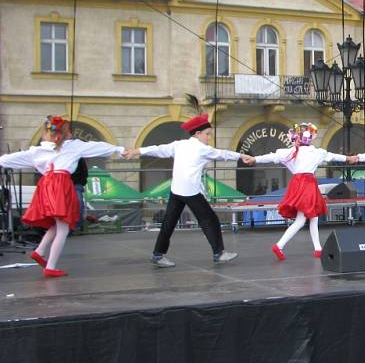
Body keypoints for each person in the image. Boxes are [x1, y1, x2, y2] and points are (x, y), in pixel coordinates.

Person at [0, 115, 125, 277]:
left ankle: (39, 251)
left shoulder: (37, 150)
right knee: (63, 227)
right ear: (67, 133)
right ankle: (50, 266)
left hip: (46, 185)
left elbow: (9, 159)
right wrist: (119, 149)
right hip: (61, 185)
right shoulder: (73, 146)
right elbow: (97, 147)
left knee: (57, 223)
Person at [124, 113, 254, 268]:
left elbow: (157, 149)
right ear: (197, 134)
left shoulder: (179, 145)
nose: (208, 138)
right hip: (190, 192)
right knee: (209, 220)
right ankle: (219, 253)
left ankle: (158, 255)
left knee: (169, 222)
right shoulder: (202, 149)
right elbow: (223, 154)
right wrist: (241, 155)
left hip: (176, 190)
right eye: (207, 134)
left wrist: (136, 151)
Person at [253, 123, 347, 260]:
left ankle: (318, 249)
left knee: (313, 217)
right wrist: (349, 158)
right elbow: (332, 156)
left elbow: (272, 156)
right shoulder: (314, 152)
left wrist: (255, 159)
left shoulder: (293, 152)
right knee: (301, 220)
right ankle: (279, 245)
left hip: (301, 184)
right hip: (306, 185)